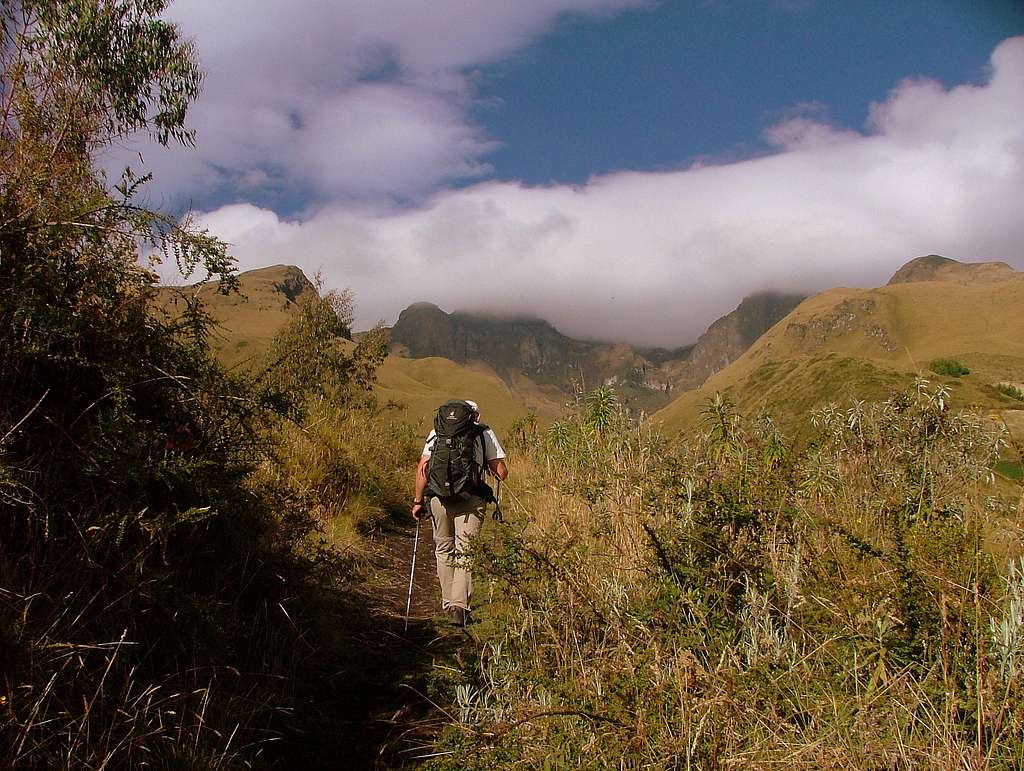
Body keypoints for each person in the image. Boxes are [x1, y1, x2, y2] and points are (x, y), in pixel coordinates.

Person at [411, 399, 508, 627]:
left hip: (438, 499)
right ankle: (459, 607)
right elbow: (501, 473)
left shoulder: (437, 432)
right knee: (465, 551)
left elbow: (422, 468)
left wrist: (417, 501)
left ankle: (448, 603)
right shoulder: (483, 433)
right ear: (475, 415)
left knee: (443, 549)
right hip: (471, 499)